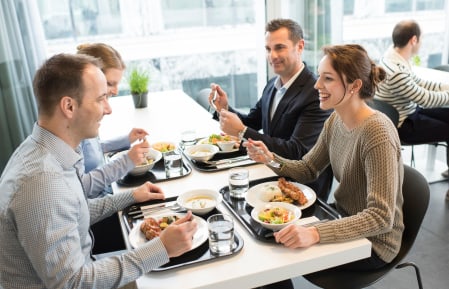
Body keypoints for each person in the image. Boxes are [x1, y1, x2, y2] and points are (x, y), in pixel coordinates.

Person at [0, 53, 197, 288]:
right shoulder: (42, 182)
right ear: (69, 106)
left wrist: (131, 196)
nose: (108, 109)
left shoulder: (44, 152)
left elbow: (73, 210)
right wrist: (161, 249)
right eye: (101, 99)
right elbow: (73, 283)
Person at [246, 44, 404, 289]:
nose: (317, 85)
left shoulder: (377, 133)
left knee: (271, 261)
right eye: (319, 76)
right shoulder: (336, 120)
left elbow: (381, 218)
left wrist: (316, 233)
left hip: (374, 242)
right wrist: (270, 159)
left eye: (327, 78)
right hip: (341, 218)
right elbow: (308, 169)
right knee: (266, 244)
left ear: (354, 86)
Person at [209, 18, 333, 201]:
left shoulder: (316, 93)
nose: (272, 55)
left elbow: (297, 151)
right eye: (268, 49)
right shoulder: (272, 85)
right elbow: (253, 121)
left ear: (300, 46)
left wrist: (241, 132)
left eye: (279, 47)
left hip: (301, 190)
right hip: (269, 175)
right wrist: (224, 109)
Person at [375, 19, 449, 180]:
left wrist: (445, 87)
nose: (421, 43)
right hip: (403, 125)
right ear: (413, 40)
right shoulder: (395, 71)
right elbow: (425, 100)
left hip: (408, 112)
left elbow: (418, 83)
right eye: (421, 39)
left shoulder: (392, 56)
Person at [76, 43, 149, 198]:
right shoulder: (78, 121)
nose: (115, 91)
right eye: (110, 84)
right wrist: (126, 161)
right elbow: (80, 188)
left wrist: (126, 139)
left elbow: (92, 150)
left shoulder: (86, 120)